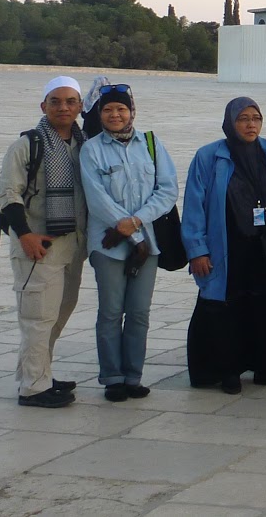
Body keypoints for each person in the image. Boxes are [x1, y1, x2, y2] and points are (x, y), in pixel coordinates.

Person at [183, 97, 266, 394]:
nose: (251, 124)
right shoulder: (209, 156)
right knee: (228, 309)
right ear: (230, 123)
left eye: (256, 118)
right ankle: (228, 372)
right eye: (243, 119)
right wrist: (197, 249)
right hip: (227, 247)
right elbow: (194, 207)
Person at [79, 83, 178, 402]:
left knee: (138, 312)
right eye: (108, 109)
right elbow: (97, 200)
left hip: (145, 245)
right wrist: (132, 232)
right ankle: (112, 377)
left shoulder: (150, 143)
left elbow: (167, 189)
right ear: (100, 114)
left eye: (121, 109)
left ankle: (133, 376)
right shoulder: (91, 149)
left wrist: (136, 222)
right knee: (110, 311)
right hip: (108, 245)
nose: (115, 114)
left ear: (132, 111)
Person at [0, 76, 89, 408]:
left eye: (70, 101)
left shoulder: (84, 143)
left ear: (80, 107)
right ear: (43, 106)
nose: (63, 107)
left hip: (72, 247)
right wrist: (24, 235)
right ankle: (34, 388)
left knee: (57, 314)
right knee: (37, 317)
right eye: (55, 101)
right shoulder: (28, 145)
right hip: (38, 245)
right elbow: (8, 194)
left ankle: (38, 374)